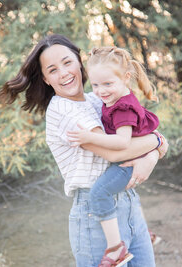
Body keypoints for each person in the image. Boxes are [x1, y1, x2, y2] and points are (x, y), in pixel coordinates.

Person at [0, 34, 167, 267]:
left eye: (67, 63)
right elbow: (116, 153)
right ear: (46, 79)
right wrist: (157, 143)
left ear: (79, 62)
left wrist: (152, 154)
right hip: (95, 212)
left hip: (128, 205)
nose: (64, 73)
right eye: (53, 70)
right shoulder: (63, 111)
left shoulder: (97, 98)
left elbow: (137, 135)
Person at [66, 46, 167, 266]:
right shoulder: (114, 98)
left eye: (107, 84)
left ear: (126, 78)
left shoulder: (122, 108)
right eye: (95, 85)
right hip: (137, 155)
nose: (101, 91)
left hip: (129, 160)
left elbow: (122, 142)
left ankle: (116, 248)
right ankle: (139, 231)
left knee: (99, 193)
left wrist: (88, 138)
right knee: (117, 192)